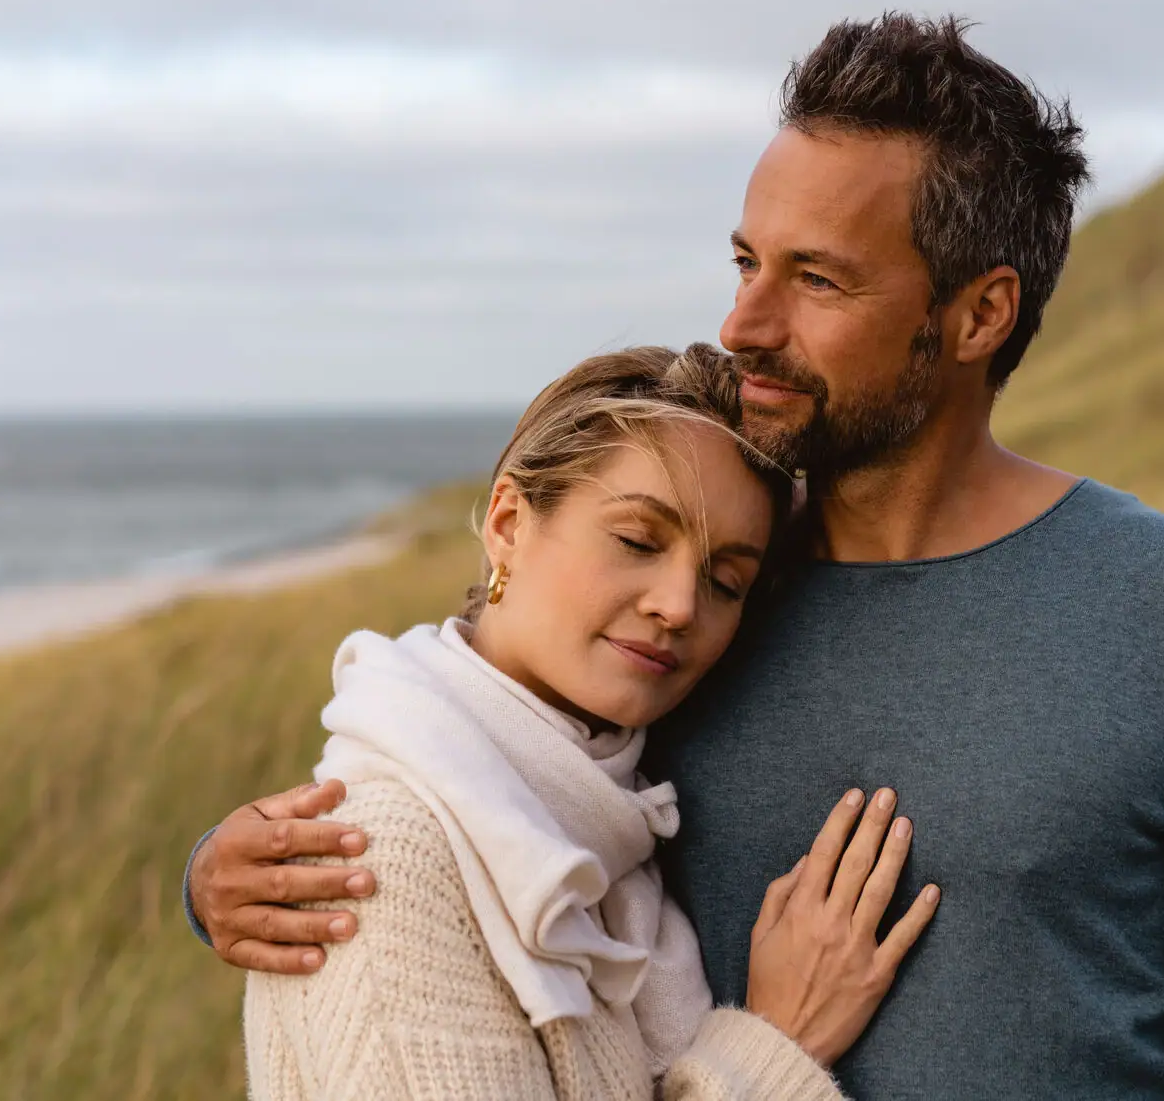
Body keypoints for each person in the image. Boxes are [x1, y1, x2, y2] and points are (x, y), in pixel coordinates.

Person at [189, 14, 1164, 1098]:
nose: (744, 324)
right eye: (745, 262)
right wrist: (220, 878)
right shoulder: (693, 605)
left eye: (816, 279)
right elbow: (464, 758)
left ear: (978, 315)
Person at [238, 343, 939, 1101]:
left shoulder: (608, 816)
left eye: (725, 580)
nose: (679, 605)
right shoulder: (385, 861)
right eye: (637, 540)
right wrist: (778, 1044)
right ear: (507, 522)